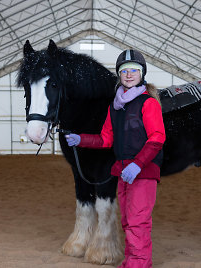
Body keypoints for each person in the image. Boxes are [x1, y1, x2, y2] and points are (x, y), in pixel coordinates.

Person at [65, 49, 165, 267]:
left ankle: (138, 264)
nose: (129, 75)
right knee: (128, 221)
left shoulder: (148, 103)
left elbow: (157, 138)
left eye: (134, 71)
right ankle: (132, 260)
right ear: (119, 75)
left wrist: (138, 164)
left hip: (143, 171)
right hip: (122, 171)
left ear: (142, 74)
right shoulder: (116, 106)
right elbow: (105, 139)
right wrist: (80, 139)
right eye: (124, 71)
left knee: (138, 221)